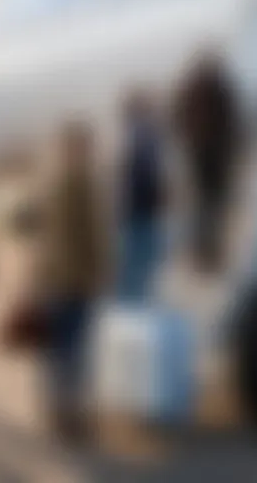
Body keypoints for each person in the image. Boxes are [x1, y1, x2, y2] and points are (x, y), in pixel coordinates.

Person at [41, 121, 108, 441]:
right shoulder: (80, 183)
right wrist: (99, 272)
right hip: (74, 279)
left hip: (55, 277)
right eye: (84, 146)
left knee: (60, 349)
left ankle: (58, 412)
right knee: (73, 349)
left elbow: (44, 234)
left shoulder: (53, 183)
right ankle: (69, 415)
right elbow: (91, 236)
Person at [173, 53, 240, 276]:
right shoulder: (219, 91)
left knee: (206, 206)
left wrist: (187, 140)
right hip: (213, 157)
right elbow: (233, 125)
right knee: (212, 207)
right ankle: (207, 255)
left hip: (205, 155)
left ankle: (203, 255)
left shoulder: (194, 90)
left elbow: (177, 119)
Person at [116, 90, 167, 302]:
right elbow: (144, 175)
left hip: (138, 207)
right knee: (142, 257)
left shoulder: (137, 136)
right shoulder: (144, 136)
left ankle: (133, 297)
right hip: (142, 207)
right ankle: (135, 298)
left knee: (137, 258)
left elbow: (135, 176)